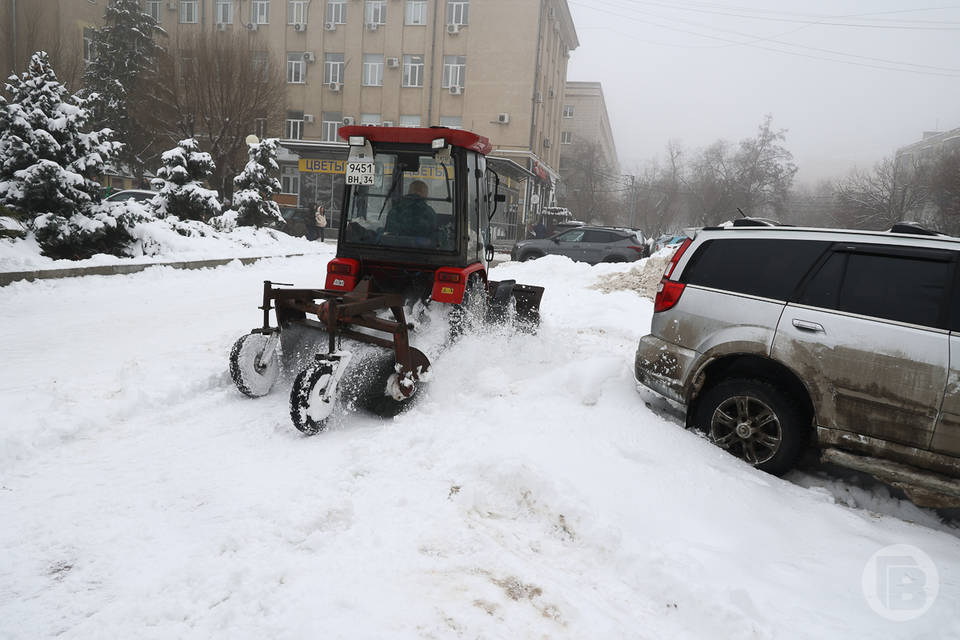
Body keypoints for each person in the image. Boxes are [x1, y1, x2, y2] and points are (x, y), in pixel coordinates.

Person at [383, 180, 437, 246]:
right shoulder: (429, 213)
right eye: (426, 193)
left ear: (409, 191)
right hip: (422, 254)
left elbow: (388, 237)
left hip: (395, 252)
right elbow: (433, 241)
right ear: (424, 193)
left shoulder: (395, 210)